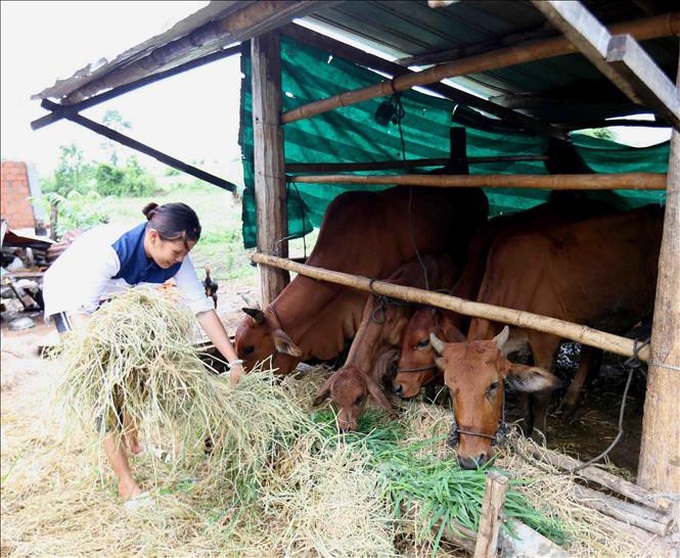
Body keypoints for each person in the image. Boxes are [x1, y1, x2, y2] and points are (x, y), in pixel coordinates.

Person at [42, 201, 244, 503]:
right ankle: (127, 485)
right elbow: (80, 312)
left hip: (116, 298)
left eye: (185, 253)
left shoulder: (176, 256)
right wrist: (103, 358)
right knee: (103, 389)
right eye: (177, 252)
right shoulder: (109, 252)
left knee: (134, 374)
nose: (180, 259)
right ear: (153, 238)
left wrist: (234, 361)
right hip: (72, 297)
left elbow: (202, 308)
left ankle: (134, 443)